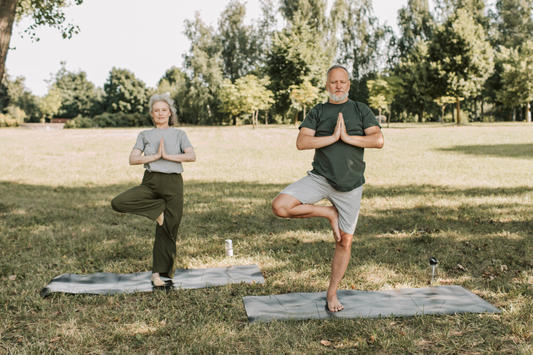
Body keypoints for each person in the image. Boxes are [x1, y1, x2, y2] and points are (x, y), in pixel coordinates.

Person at [271, 65, 384, 312]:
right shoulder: (318, 111)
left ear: (349, 85)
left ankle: (332, 294)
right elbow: (302, 142)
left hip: (350, 186)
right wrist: (332, 137)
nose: (338, 86)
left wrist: (347, 137)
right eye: (334, 82)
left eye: (343, 82)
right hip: (320, 178)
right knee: (280, 205)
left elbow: (377, 140)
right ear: (327, 85)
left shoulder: (360, 109)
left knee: (344, 242)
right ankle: (328, 213)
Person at [111, 94, 196, 286]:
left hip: (174, 183)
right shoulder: (144, 135)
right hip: (151, 182)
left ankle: (158, 275)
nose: (160, 113)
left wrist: (167, 155)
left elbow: (191, 156)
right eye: (156, 110)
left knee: (168, 229)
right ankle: (156, 210)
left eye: (164, 110)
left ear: (170, 113)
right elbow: (133, 159)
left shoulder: (179, 134)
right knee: (118, 202)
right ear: (152, 114)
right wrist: (156, 156)